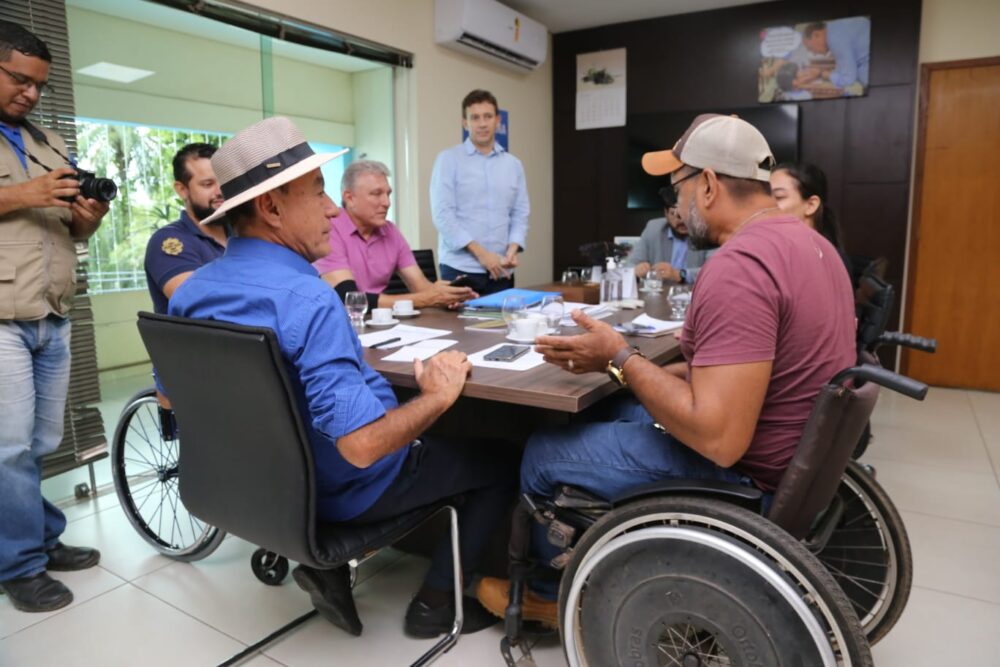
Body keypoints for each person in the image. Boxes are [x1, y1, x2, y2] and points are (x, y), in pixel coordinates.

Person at [476, 114, 856, 624]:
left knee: (544, 452)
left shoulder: (739, 267)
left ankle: (548, 596)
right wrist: (617, 368)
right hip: (792, 461)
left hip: (745, 475)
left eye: (676, 188)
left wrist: (620, 356)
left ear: (708, 185)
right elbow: (741, 376)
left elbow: (718, 438)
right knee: (603, 413)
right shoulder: (815, 246)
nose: (674, 205)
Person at [168, 116, 517, 639]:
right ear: (271, 208)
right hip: (343, 491)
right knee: (501, 460)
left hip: (256, 492)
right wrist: (437, 396)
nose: (332, 208)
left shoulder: (190, 293)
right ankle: (436, 602)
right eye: (318, 192)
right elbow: (361, 447)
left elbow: (171, 399)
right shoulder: (308, 299)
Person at [0, 21, 108, 613]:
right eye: (20, 80)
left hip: (53, 309)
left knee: (40, 441)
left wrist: (86, 218)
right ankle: (18, 566)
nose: (32, 94)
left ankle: (40, 538)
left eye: (39, 84)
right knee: (9, 447)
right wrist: (26, 194)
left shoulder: (48, 139)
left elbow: (69, 227)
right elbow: (30, 201)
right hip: (2, 316)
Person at [314, 159, 475, 310]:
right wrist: (427, 298)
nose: (387, 202)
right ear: (349, 198)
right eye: (376, 194)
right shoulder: (329, 228)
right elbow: (348, 298)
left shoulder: (391, 231)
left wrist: (448, 295)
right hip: (342, 320)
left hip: (382, 320)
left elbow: (421, 287)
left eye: (388, 194)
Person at [430, 89, 529, 295]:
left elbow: (520, 213)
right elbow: (443, 215)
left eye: (488, 116)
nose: (482, 124)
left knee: (502, 318)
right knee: (460, 318)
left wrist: (512, 250)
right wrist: (482, 255)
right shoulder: (448, 160)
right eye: (475, 117)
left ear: (497, 120)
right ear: (465, 123)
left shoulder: (513, 165)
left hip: (501, 270)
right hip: (460, 269)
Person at [144, 143, 226, 315]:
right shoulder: (169, 241)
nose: (220, 191)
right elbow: (202, 306)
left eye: (224, 181)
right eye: (208, 184)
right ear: (182, 190)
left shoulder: (245, 234)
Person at [770, 162, 852, 276]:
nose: (765, 204)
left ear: (811, 205)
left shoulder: (828, 260)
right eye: (765, 197)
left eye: (778, 197)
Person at [628, 187, 713, 285]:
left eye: (686, 212)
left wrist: (680, 274)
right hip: (659, 293)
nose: (681, 220)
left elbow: (713, 272)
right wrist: (636, 270)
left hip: (694, 293)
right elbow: (629, 265)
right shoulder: (653, 228)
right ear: (666, 213)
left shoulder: (707, 232)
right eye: (674, 213)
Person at [797, 18, 870, 93]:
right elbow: (844, 70)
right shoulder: (835, 28)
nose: (814, 54)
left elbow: (848, 79)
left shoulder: (834, 39)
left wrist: (821, 74)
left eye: (810, 48)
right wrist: (821, 72)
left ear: (816, 35)